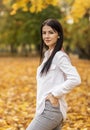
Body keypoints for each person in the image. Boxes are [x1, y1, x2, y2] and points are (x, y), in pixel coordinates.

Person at [26, 18, 81, 130]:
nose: (47, 36)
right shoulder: (48, 55)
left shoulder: (59, 56)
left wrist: (54, 94)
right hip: (45, 108)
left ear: (59, 35)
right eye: (44, 33)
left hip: (51, 110)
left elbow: (75, 79)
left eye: (51, 32)